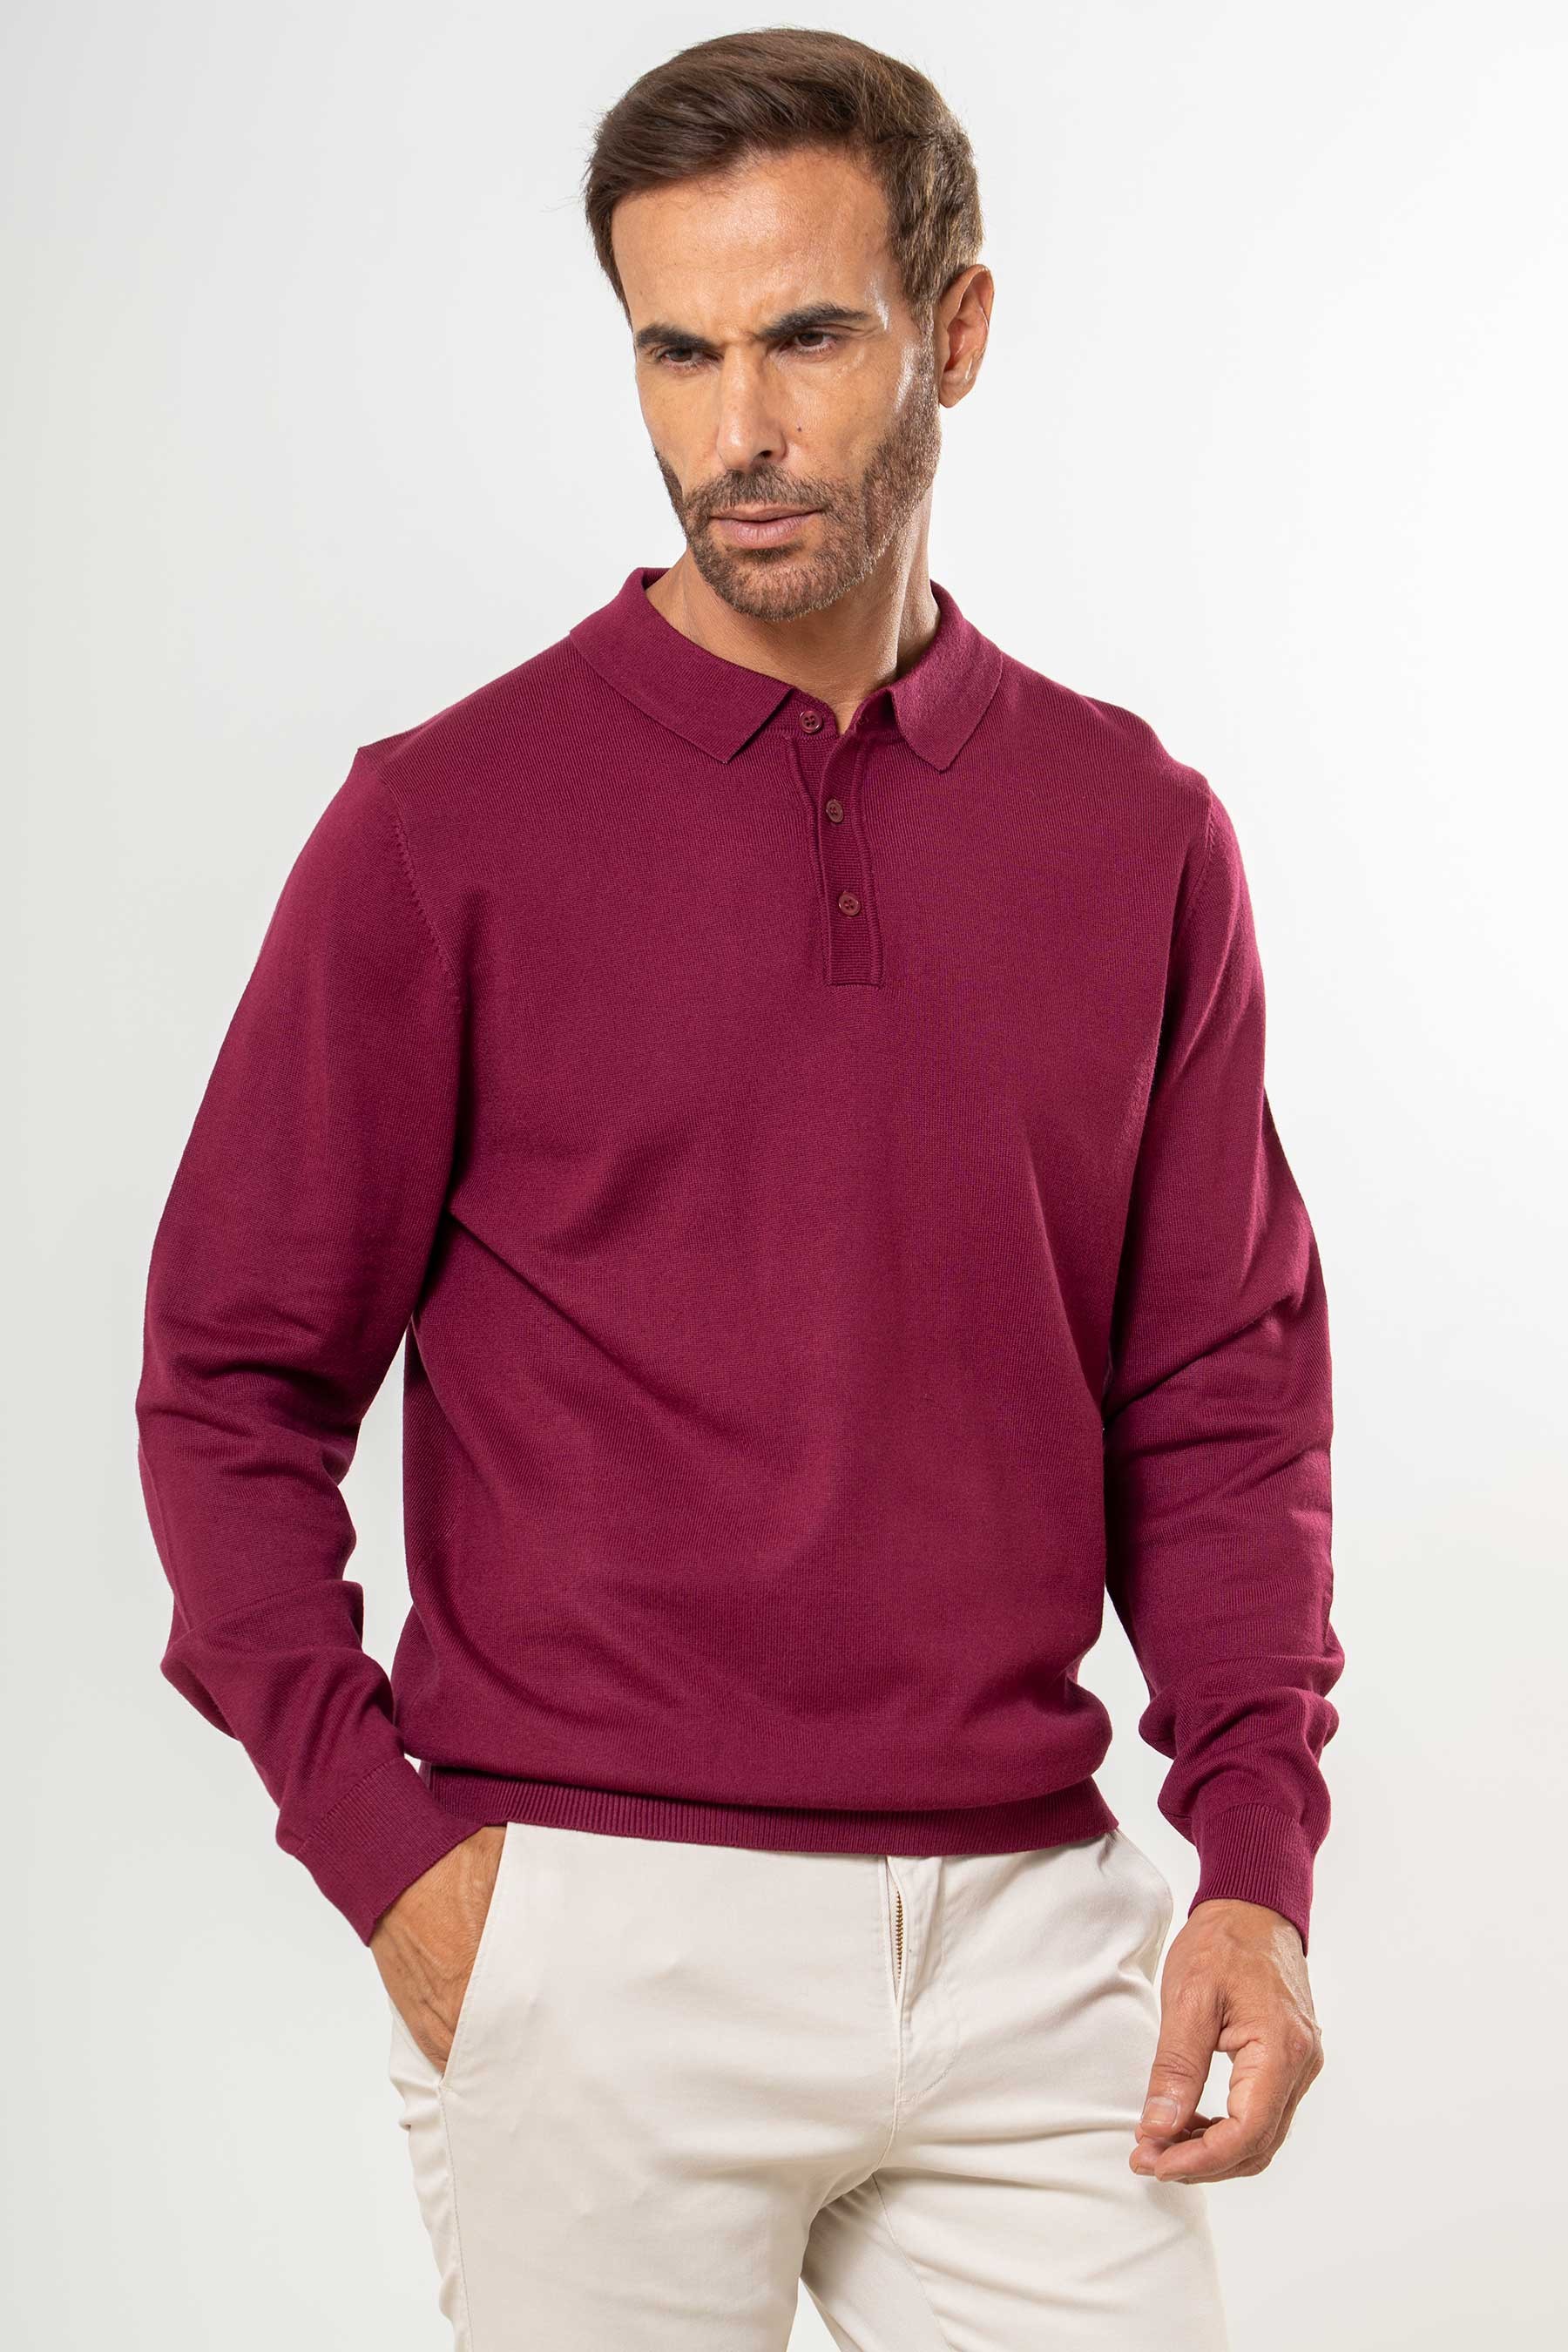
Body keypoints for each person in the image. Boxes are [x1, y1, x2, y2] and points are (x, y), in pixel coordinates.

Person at [133, 25, 1343, 2349]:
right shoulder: (444, 827)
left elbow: (1220, 1395)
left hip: (1029, 1936)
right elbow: (230, 1381)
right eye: (674, 353)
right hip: (598, 1933)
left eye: (804, 336)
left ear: (954, 332)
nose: (737, 432)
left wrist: (1255, 1864)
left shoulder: (1134, 833)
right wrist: (391, 1859)